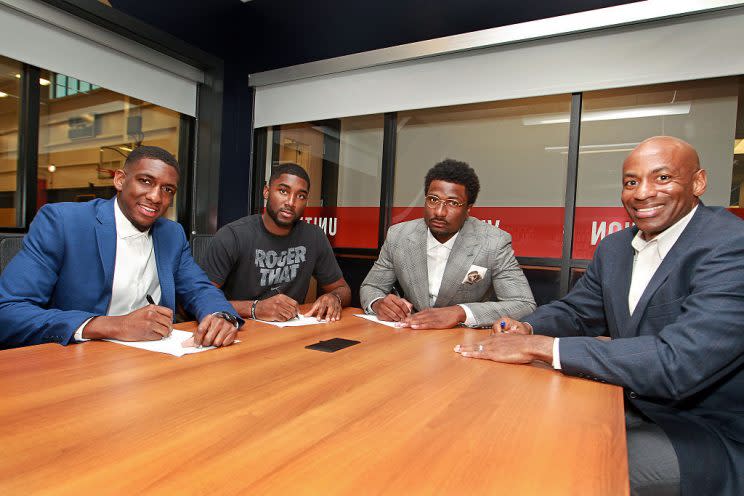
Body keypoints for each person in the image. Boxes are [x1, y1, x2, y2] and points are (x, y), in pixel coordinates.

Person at [455, 136, 744, 496]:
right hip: (626, 402)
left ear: (698, 182)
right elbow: (579, 311)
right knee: (515, 436)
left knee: (573, 474)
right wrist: (526, 326)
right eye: (631, 182)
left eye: (663, 178)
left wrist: (543, 346)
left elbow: (679, 363)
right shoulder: (616, 247)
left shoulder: (732, 245)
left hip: (705, 431)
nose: (642, 193)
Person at [0, 146, 241, 350]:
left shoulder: (172, 234)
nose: (156, 197)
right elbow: (9, 312)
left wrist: (220, 315)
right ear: (120, 180)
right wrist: (114, 325)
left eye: (168, 190)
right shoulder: (63, 222)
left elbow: (199, 288)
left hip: (155, 359)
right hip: (77, 359)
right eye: (146, 181)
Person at [360, 159, 536, 329]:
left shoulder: (493, 242)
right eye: (433, 199)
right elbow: (371, 286)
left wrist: (460, 312)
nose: (439, 212)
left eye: (453, 203)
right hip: (409, 334)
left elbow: (523, 304)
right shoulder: (399, 235)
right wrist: (378, 304)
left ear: (468, 209)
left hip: (462, 338)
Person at [203, 162, 351, 322]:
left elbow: (343, 289)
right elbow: (201, 299)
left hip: (288, 332)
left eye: (300, 196)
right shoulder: (232, 236)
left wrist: (334, 297)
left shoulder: (313, 236)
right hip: (238, 330)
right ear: (266, 191)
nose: (291, 202)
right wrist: (255, 308)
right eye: (283, 191)